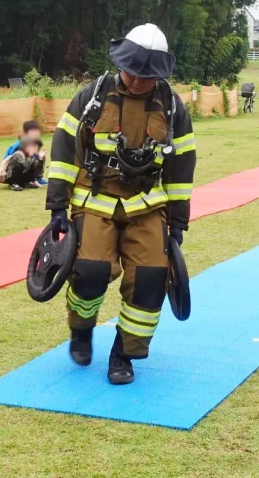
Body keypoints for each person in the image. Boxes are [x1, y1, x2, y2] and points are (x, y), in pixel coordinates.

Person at [47, 23, 196, 385]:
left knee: (151, 277)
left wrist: (177, 224)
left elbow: (181, 166)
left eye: (147, 76)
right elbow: (65, 150)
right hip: (94, 198)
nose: (137, 81)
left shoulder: (172, 107)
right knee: (91, 271)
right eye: (132, 72)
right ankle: (81, 329)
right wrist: (57, 208)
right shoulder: (92, 97)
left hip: (146, 204)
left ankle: (123, 353)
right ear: (121, 62)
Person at [4, 120, 47, 185]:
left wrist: (40, 159)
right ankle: (14, 183)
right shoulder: (19, 145)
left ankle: (38, 178)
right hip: (13, 174)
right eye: (33, 131)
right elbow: (11, 163)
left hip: (26, 172)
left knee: (40, 156)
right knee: (27, 158)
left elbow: (34, 163)